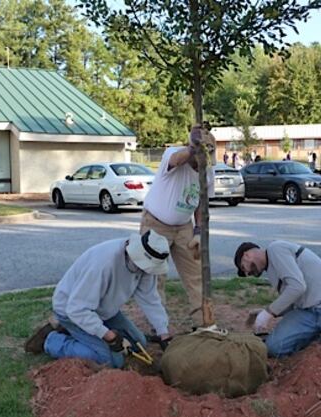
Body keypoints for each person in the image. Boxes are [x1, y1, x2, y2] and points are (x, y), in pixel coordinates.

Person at [24, 230, 173, 368]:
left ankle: (82, 332)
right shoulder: (102, 265)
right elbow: (77, 309)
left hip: (104, 310)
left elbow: (150, 298)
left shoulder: (146, 265)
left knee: (140, 343)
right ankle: (52, 341)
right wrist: (109, 336)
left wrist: (163, 333)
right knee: (111, 360)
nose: (145, 271)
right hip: (71, 312)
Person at [139, 124, 214, 313]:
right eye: (198, 158)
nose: (201, 165)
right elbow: (176, 160)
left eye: (206, 158)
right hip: (155, 224)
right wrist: (192, 146)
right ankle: (159, 327)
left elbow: (201, 203)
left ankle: (202, 322)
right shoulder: (174, 155)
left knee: (196, 274)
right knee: (155, 276)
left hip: (184, 227)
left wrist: (198, 230)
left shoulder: (208, 171)